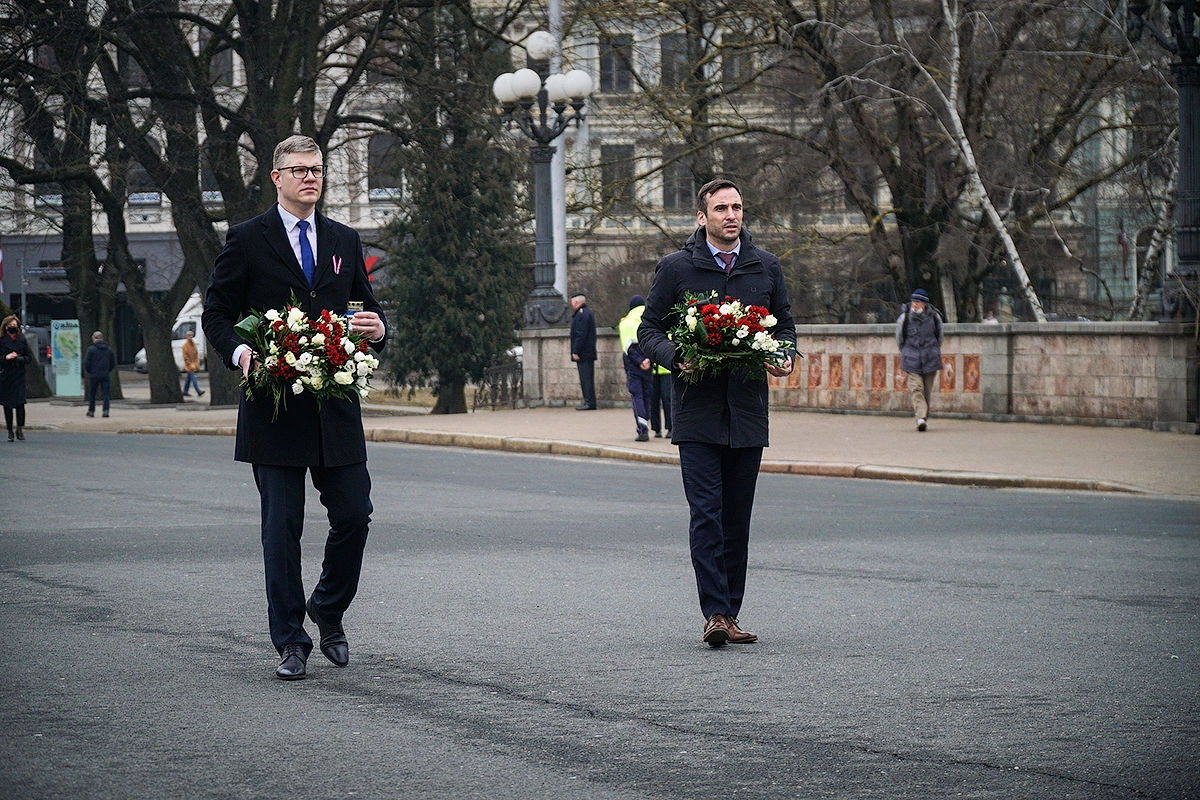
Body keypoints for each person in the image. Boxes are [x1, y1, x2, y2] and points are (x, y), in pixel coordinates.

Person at [202, 134, 388, 681]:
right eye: (300, 169)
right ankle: (290, 640)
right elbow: (217, 314)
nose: (311, 177)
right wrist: (240, 352)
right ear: (276, 178)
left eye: (318, 169)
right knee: (281, 529)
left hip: (334, 409)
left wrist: (379, 330)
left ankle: (327, 609)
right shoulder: (246, 240)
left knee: (355, 515)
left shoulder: (344, 240)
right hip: (273, 407)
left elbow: (366, 312)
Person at [639, 178, 796, 648]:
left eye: (738, 207)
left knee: (736, 519)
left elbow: (784, 324)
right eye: (722, 208)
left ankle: (731, 611)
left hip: (747, 412)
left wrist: (783, 354)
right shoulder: (677, 268)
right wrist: (674, 355)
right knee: (706, 514)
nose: (732, 215)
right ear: (701, 217)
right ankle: (714, 613)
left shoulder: (764, 267)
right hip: (697, 413)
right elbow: (649, 328)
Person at [895, 288, 944, 432]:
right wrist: (906, 352)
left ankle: (923, 418)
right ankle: (921, 417)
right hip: (911, 358)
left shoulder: (935, 317)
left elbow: (939, 337)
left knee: (926, 391)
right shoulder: (904, 318)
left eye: (917, 302)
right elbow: (899, 339)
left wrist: (933, 350)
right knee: (916, 388)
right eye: (913, 301)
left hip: (930, 358)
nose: (914, 305)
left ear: (924, 304)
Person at [617, 294, 653, 442]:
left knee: (637, 396)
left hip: (634, 365)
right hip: (649, 363)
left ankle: (642, 429)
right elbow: (655, 342)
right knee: (647, 396)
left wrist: (640, 361)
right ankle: (646, 422)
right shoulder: (650, 320)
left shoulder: (625, 323)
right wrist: (648, 360)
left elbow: (627, 347)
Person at [1, 315, 32, 442]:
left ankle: (19, 428)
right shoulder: (1, 340)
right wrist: (6, 358)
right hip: (6, 376)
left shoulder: (22, 340)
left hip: (19, 375)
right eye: (11, 325)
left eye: (16, 325)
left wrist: (21, 359)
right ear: (6, 326)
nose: (13, 327)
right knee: (7, 404)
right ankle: (9, 430)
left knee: (20, 403)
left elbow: (28, 357)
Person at [569, 290, 597, 410]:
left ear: (576, 302)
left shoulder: (581, 315)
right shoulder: (586, 313)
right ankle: (589, 401)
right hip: (587, 352)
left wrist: (576, 351)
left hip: (584, 353)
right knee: (587, 378)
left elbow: (580, 334)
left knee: (586, 378)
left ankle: (589, 401)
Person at [83, 331, 117, 418]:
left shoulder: (91, 349)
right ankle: (106, 411)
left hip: (94, 374)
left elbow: (86, 363)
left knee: (92, 393)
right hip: (105, 374)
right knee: (106, 394)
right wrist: (107, 370)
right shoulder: (108, 349)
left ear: (94, 339)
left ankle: (91, 411)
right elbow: (113, 363)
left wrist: (90, 371)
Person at [649, 359, 672, 438]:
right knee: (653, 400)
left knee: (667, 399)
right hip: (653, 371)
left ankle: (670, 428)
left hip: (666, 371)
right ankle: (656, 428)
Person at [181, 329, 204, 397]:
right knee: (193, 378)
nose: (190, 337)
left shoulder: (193, 344)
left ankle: (185, 391)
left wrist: (196, 363)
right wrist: (190, 364)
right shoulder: (185, 345)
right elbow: (185, 356)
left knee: (188, 379)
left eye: (191, 335)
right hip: (189, 365)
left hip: (193, 364)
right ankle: (198, 391)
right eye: (189, 335)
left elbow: (196, 354)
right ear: (186, 336)